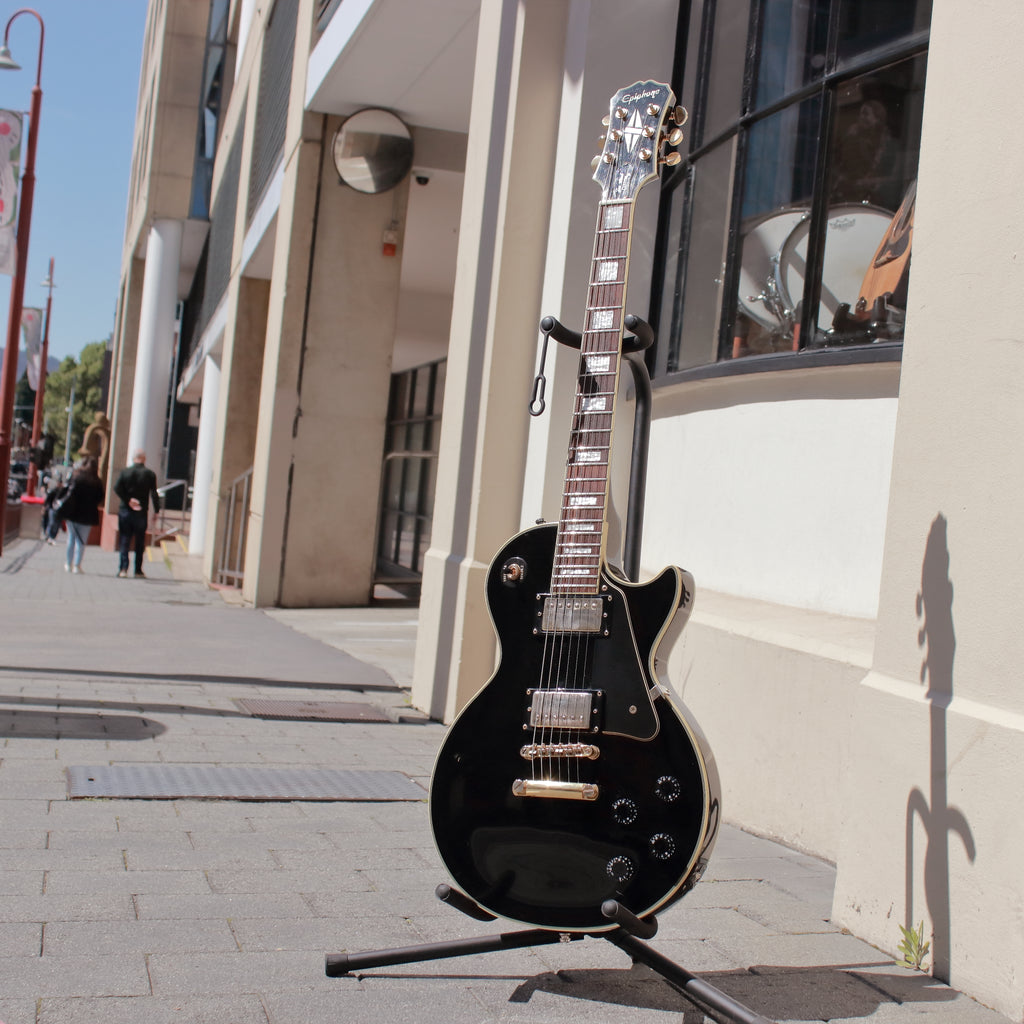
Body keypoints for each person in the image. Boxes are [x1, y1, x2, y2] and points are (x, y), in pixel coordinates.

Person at [113, 449, 161, 578]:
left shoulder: (125, 472)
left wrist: (128, 500)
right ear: (144, 459)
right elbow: (154, 494)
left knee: (124, 539)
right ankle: (138, 570)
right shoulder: (149, 474)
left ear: (133, 459)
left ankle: (123, 569)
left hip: (125, 511)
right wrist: (156, 510)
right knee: (140, 541)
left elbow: (116, 488)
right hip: (141, 512)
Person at [56, 457, 105, 574]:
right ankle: (77, 565)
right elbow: (100, 497)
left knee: (71, 539)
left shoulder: (77, 477)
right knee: (81, 541)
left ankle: (68, 563)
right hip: (88, 515)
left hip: (73, 513)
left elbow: (69, 492)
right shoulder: (97, 481)